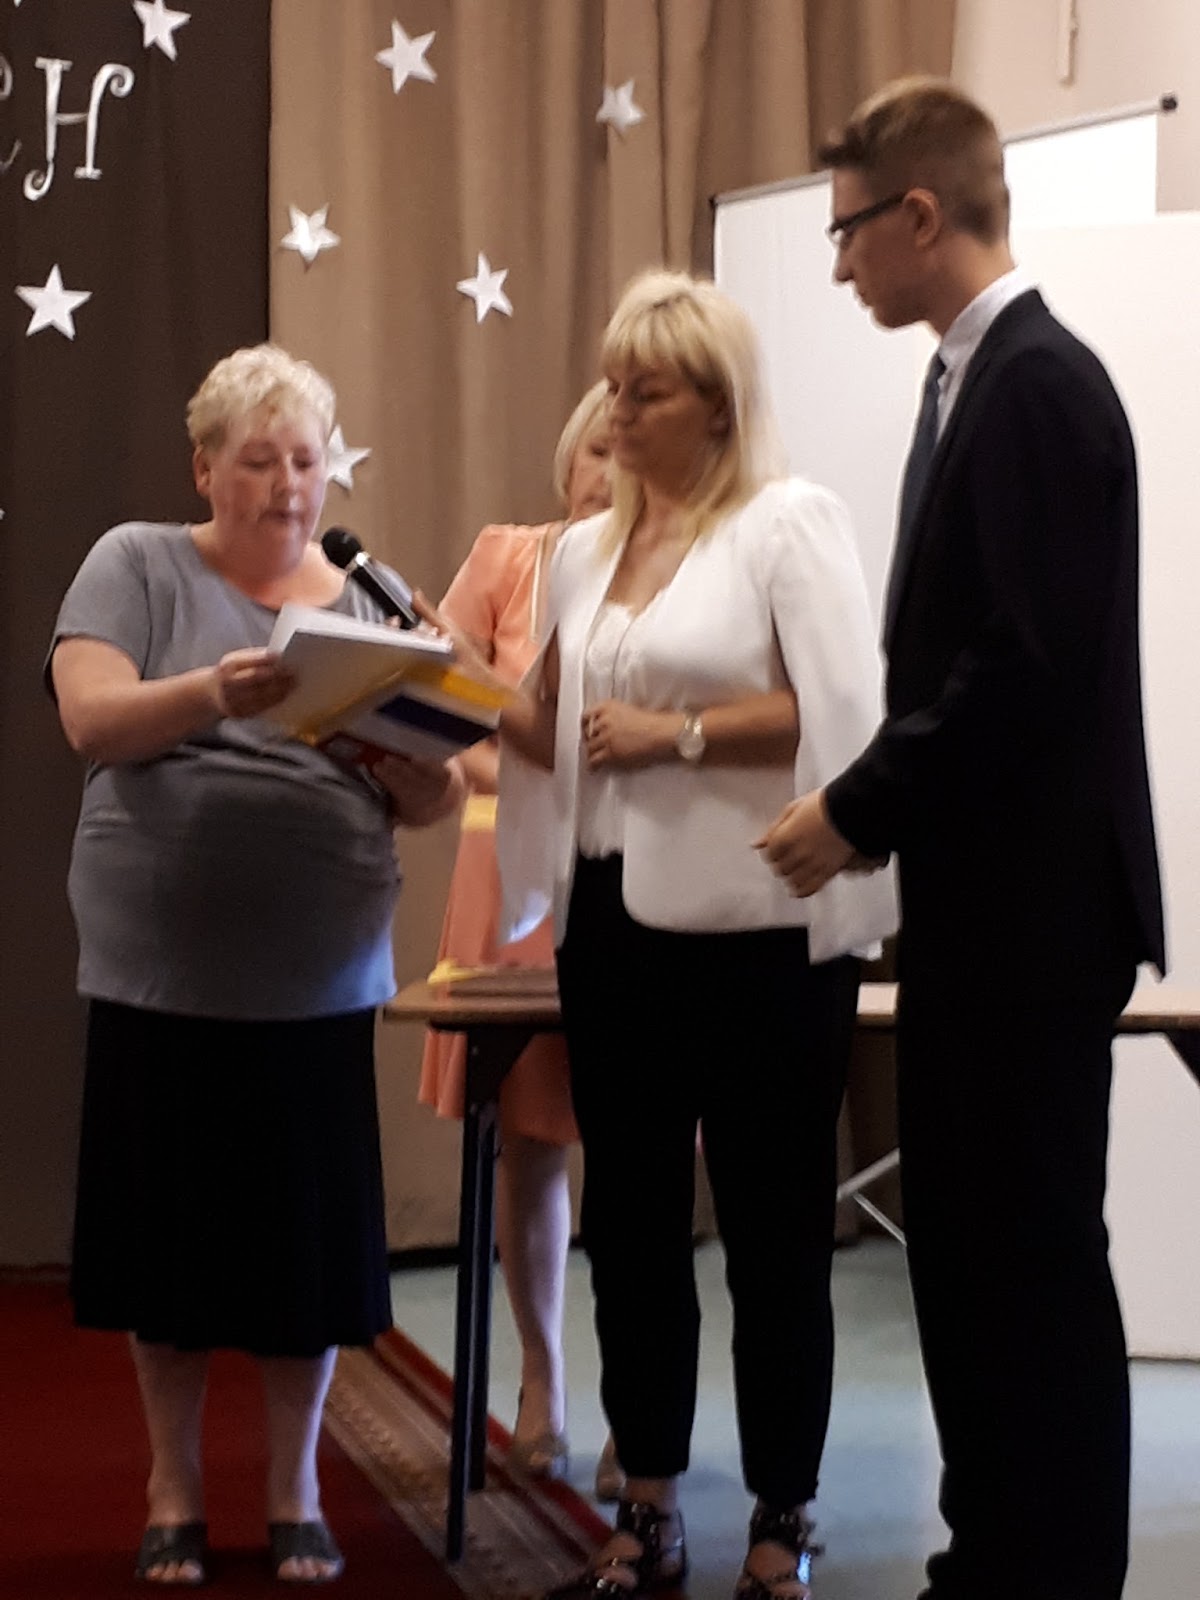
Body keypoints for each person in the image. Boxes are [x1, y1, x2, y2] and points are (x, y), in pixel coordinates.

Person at [756, 78, 1165, 1600]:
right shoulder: (974, 380)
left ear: (920, 215)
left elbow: (1023, 666)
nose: (840, 264)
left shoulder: (1038, 384)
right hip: (986, 907)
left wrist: (856, 807)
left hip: (1037, 918)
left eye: (849, 231)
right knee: (976, 1255)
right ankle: (993, 1552)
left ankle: (1049, 1571)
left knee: (1031, 1261)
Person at [486, 269, 897, 1600]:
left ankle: (782, 1517)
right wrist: (425, 687)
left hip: (765, 930)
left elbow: (844, 710)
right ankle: (647, 1504)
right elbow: (547, 724)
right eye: (613, 384)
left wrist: (684, 735)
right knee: (633, 1227)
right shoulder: (582, 553)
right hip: (612, 925)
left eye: (644, 390)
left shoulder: (786, 522)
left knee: (774, 1234)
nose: (613, 411)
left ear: (716, 406)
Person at [48, 344, 465, 1587]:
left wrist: (405, 755)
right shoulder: (137, 562)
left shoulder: (370, 600)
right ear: (204, 468)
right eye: (259, 460)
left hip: (316, 984)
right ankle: (172, 1485)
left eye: (306, 460)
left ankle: (295, 1489)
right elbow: (90, 716)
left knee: (304, 1259)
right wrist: (211, 695)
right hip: (159, 976)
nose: (289, 485)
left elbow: (436, 794)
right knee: (166, 1254)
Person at [418, 380, 622, 1492]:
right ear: (567, 459)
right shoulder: (507, 555)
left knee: (635, 1145)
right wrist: (534, 777)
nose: (610, 471)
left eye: (630, 451)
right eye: (597, 449)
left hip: (634, 874)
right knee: (529, 1142)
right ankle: (542, 1382)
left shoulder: (683, 575)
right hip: (509, 878)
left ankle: (641, 1410)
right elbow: (436, 703)